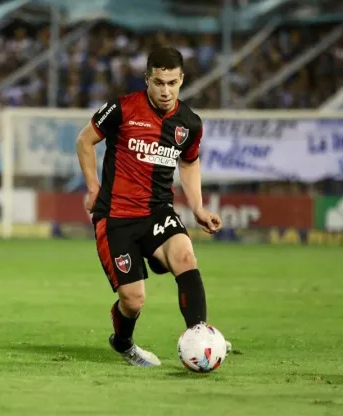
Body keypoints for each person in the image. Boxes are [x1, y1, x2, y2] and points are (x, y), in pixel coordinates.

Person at [76, 46, 231, 367]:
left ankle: (200, 338)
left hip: (158, 212)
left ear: (182, 80)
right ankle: (123, 344)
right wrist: (93, 187)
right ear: (147, 79)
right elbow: (84, 141)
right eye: (159, 82)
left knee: (185, 255)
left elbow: (189, 164)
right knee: (133, 301)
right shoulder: (121, 108)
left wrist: (198, 208)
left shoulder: (189, 122)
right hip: (115, 217)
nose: (165, 91)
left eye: (172, 83)